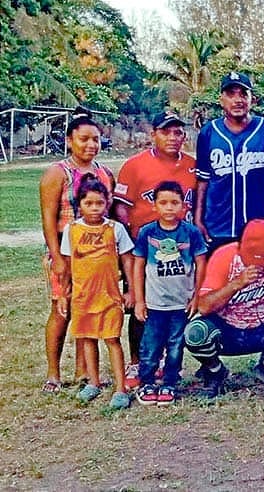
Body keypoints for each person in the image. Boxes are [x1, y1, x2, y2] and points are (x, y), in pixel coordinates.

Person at [113, 111, 197, 390]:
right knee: (142, 306)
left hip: (181, 250)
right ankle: (137, 362)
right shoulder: (135, 165)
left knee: (176, 307)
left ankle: (169, 364)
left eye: (177, 132)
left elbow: (196, 203)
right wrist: (133, 237)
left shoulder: (191, 166)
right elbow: (121, 206)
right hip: (146, 248)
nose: (172, 137)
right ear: (154, 135)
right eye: (166, 132)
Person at [184, 219, 264, 398]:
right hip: (228, 327)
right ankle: (215, 371)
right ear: (239, 245)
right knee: (195, 333)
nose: (258, 256)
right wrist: (237, 283)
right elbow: (204, 307)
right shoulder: (224, 256)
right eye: (252, 250)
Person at [38, 108, 115, 393]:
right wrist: (58, 258)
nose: (91, 145)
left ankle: (85, 371)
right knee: (62, 309)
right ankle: (53, 374)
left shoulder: (105, 174)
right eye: (84, 139)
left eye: (95, 139)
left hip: (96, 257)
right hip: (67, 252)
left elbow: (112, 217)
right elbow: (48, 219)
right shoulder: (57, 174)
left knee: (89, 309)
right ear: (70, 140)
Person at [194, 71, 264, 252]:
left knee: (258, 278)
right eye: (231, 94)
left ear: (252, 99)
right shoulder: (209, 132)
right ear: (221, 99)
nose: (237, 99)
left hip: (258, 222)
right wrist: (198, 218)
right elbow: (202, 181)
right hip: (217, 225)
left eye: (243, 94)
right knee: (220, 276)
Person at [57, 175, 134, 409]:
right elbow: (67, 267)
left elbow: (128, 261)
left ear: (107, 203)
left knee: (112, 340)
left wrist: (131, 291)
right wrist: (63, 293)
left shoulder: (115, 229)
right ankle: (93, 382)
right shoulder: (71, 231)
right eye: (88, 203)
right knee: (87, 339)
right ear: (79, 204)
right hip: (82, 297)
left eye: (99, 203)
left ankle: (121, 389)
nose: (94, 208)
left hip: (109, 296)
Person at [132, 181, 208, 406]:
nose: (169, 208)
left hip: (180, 304)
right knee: (151, 345)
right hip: (154, 304)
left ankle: (169, 383)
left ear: (183, 206)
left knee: (176, 345)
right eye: (163, 203)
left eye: (174, 203)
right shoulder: (147, 232)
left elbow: (201, 263)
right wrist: (139, 300)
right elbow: (138, 265)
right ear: (154, 205)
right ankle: (146, 382)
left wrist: (196, 296)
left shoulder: (191, 232)